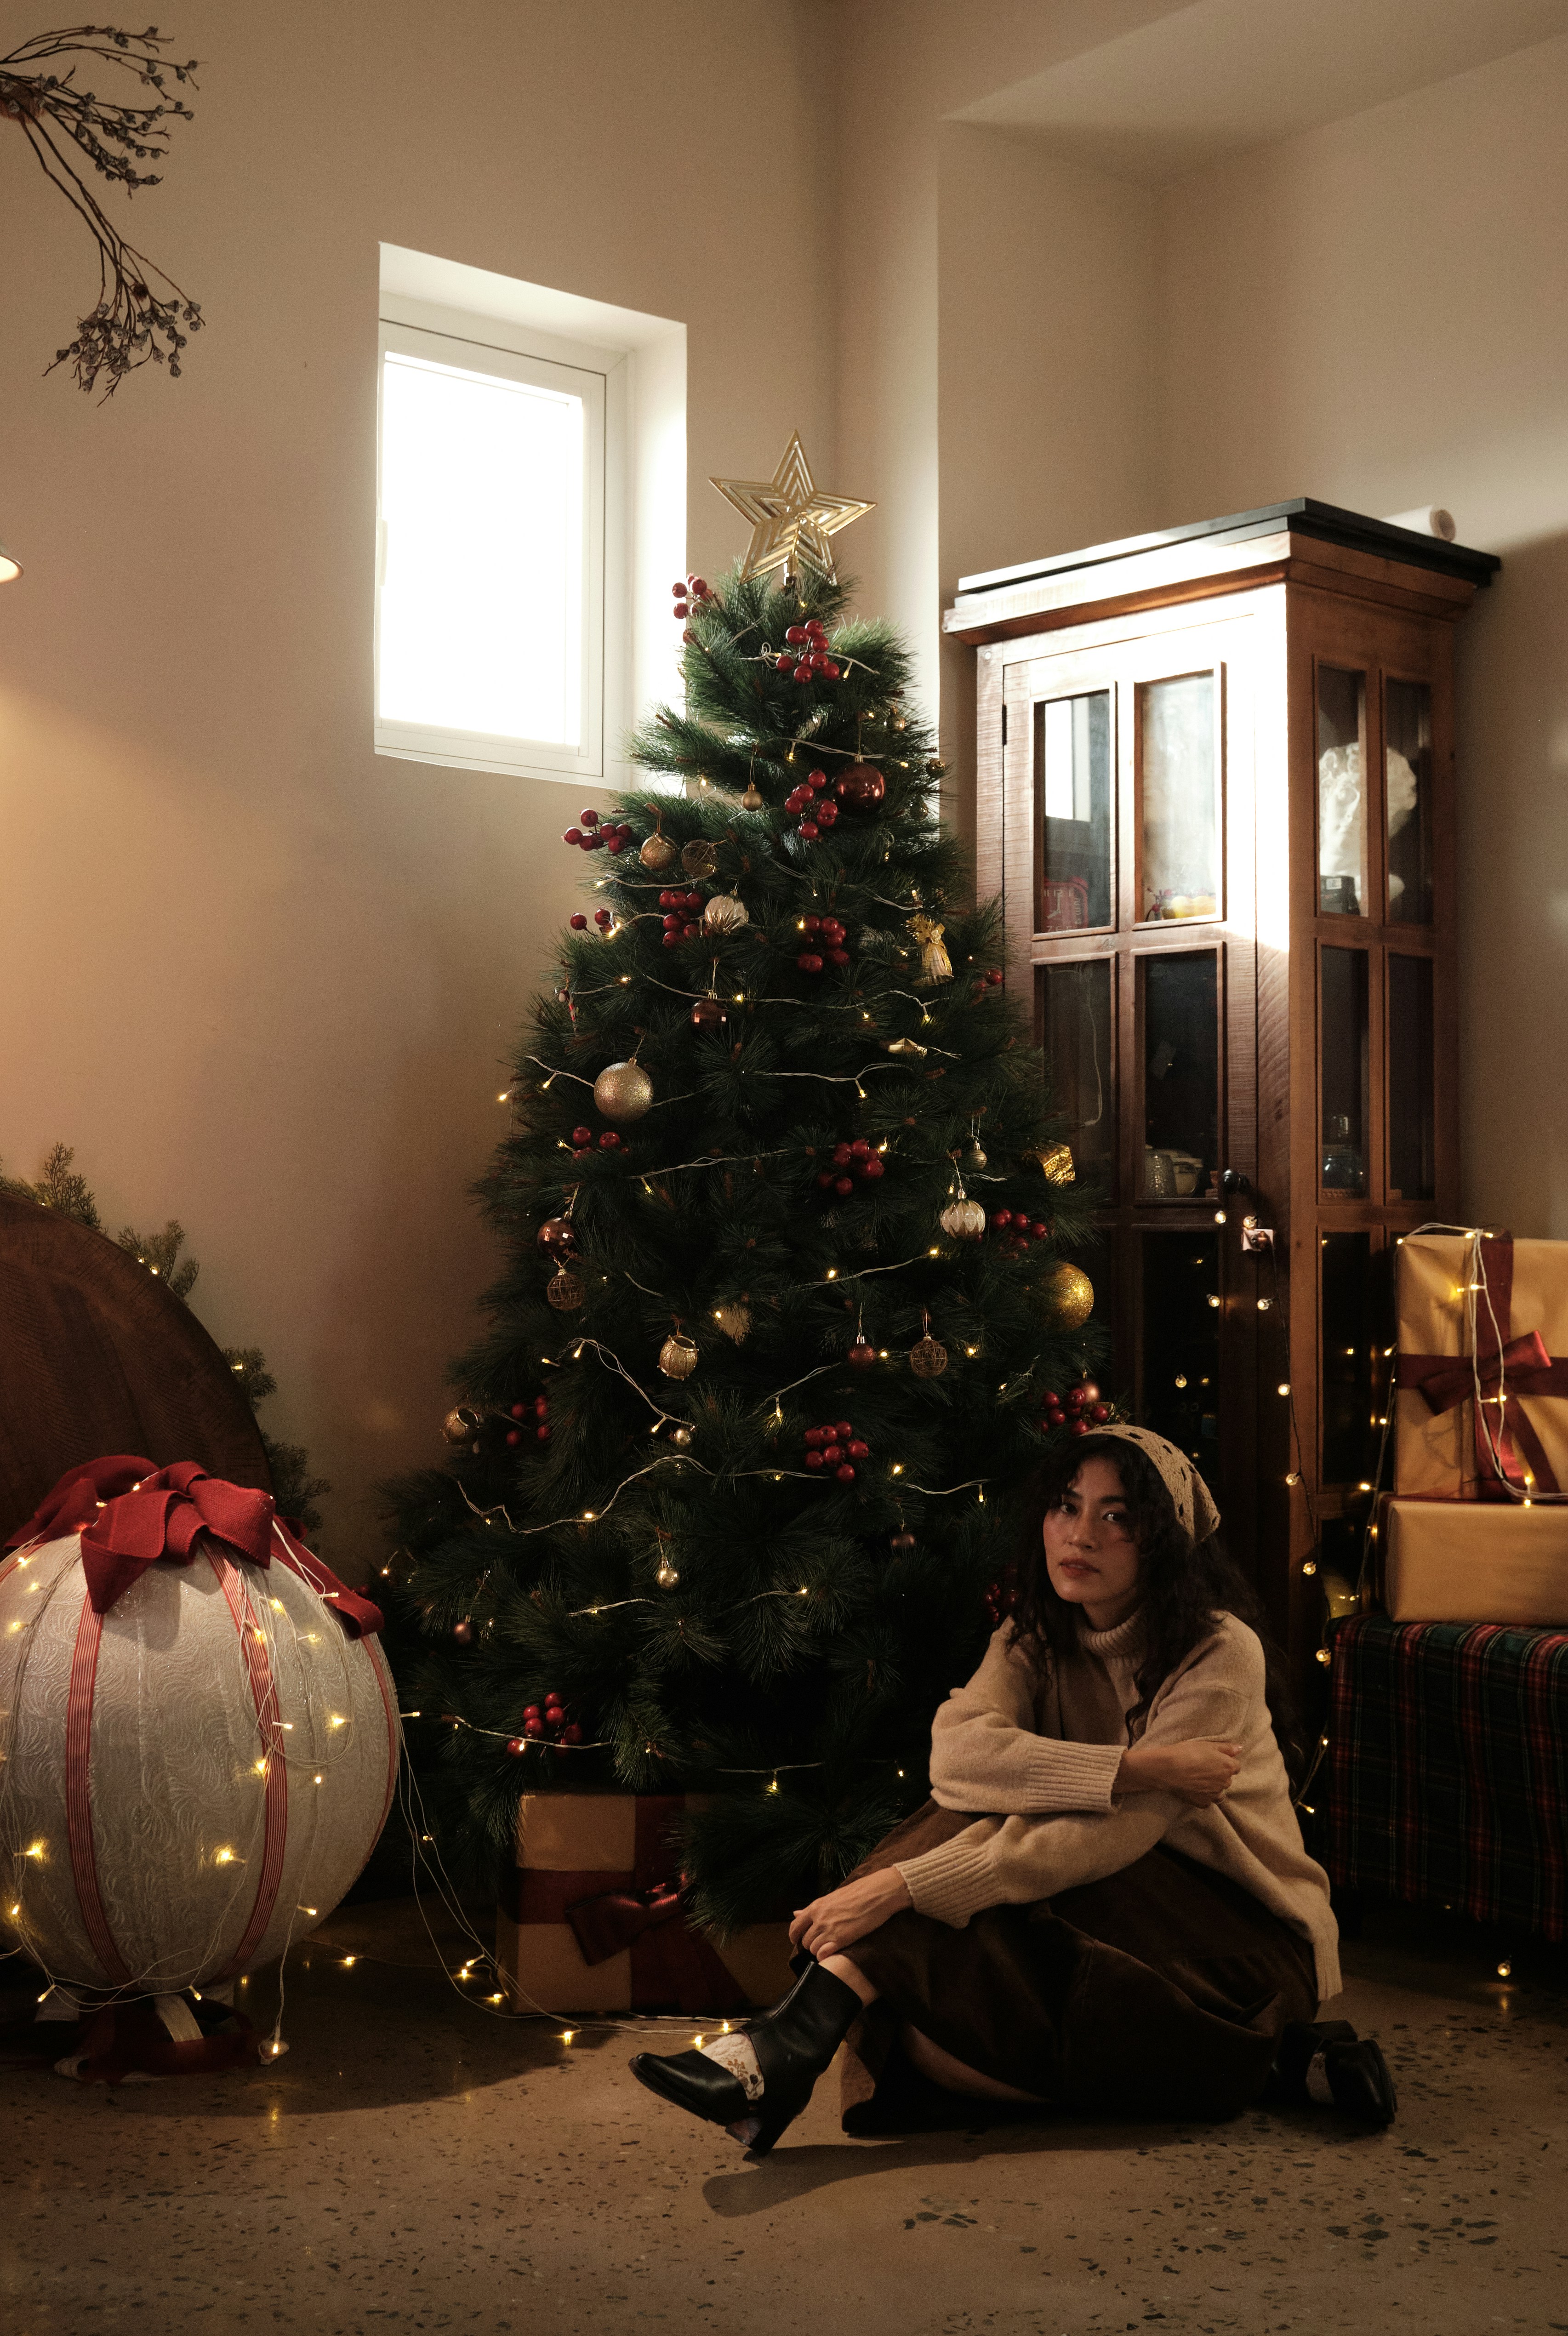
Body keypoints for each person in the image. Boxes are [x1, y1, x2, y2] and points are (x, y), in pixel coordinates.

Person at [629, 1425, 1396, 2154]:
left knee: (943, 1964)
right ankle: (1265, 2069)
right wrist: (1133, 1766)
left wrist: (898, 1887)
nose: (1080, 1534)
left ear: (1164, 1542)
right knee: (927, 2036)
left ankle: (784, 2046)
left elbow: (1115, 1835)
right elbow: (958, 1758)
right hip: (1098, 1907)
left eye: (1116, 1517)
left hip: (1236, 1938)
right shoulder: (1034, 1633)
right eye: (1067, 1506)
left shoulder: (1221, 1650)